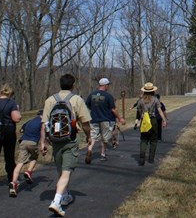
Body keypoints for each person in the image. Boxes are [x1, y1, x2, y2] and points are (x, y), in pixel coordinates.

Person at [40, 74, 92, 217]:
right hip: (70, 140)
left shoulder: (50, 100)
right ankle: (56, 202)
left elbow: (44, 124)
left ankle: (65, 195)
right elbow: (85, 123)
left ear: (60, 84)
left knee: (61, 170)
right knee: (66, 171)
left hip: (55, 141)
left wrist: (43, 142)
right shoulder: (76, 99)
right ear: (73, 85)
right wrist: (89, 136)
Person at [85, 78, 125, 163]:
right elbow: (113, 110)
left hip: (94, 119)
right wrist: (120, 118)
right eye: (108, 85)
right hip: (105, 120)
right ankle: (102, 155)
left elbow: (87, 106)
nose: (108, 87)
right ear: (105, 85)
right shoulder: (108, 96)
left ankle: (89, 150)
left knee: (92, 137)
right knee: (104, 137)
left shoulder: (91, 94)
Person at [9, 109, 44, 197]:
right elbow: (45, 133)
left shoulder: (30, 121)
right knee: (34, 157)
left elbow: (21, 130)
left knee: (20, 163)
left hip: (23, 141)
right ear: (43, 115)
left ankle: (13, 183)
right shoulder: (43, 122)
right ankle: (29, 171)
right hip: (32, 142)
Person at [136, 82, 167, 166]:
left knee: (144, 139)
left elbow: (139, 110)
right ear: (153, 91)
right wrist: (164, 120)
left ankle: (142, 155)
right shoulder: (155, 99)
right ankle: (151, 158)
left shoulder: (140, 100)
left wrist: (141, 116)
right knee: (153, 140)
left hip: (144, 121)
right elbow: (160, 111)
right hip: (153, 120)